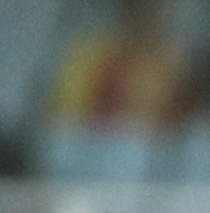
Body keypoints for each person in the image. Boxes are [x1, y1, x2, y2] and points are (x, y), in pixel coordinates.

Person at [47, 0, 192, 129]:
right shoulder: (88, 53)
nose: (142, 21)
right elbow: (61, 115)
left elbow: (174, 125)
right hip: (85, 140)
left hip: (141, 144)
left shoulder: (170, 63)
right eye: (135, 13)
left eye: (150, 13)